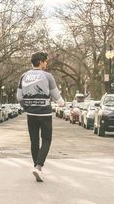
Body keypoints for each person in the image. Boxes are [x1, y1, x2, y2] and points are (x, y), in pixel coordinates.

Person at [17, 51, 65, 182]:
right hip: (44, 113)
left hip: (31, 114)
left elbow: (19, 97)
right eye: (45, 61)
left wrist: (26, 107)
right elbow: (56, 96)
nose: (46, 63)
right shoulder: (47, 76)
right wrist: (62, 103)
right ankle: (38, 167)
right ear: (41, 62)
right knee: (46, 140)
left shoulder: (23, 76)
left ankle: (36, 168)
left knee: (34, 141)